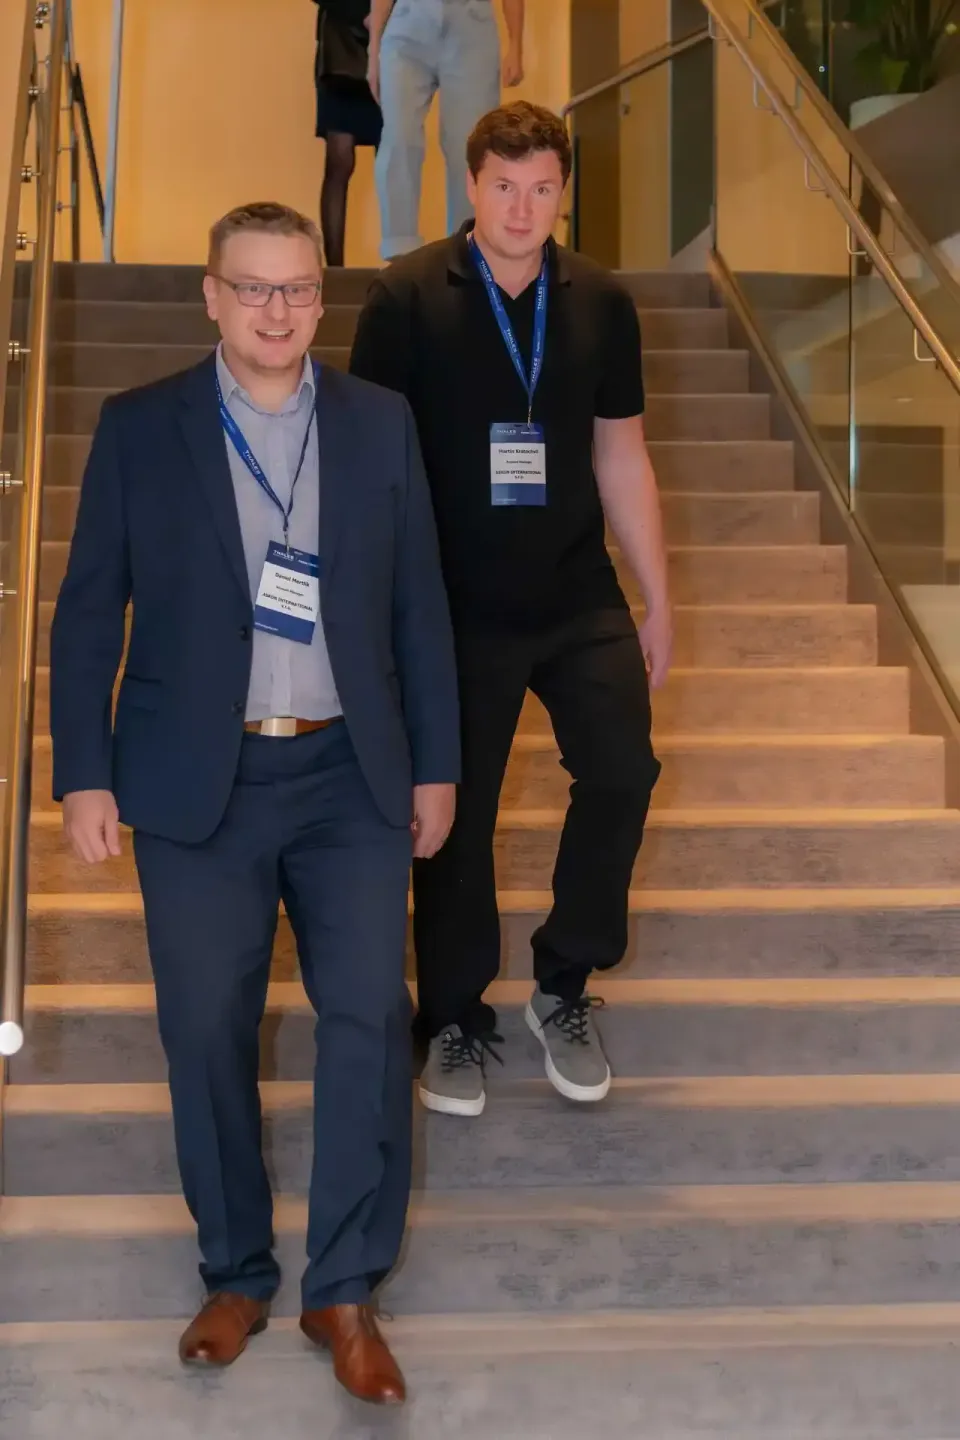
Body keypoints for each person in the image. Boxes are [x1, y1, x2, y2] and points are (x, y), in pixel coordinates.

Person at [49, 201, 459, 1405]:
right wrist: (83, 772)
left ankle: (343, 1288)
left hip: (350, 776)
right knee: (203, 1029)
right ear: (212, 296)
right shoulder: (139, 430)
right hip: (193, 782)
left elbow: (418, 610)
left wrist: (434, 765)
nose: (277, 311)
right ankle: (234, 1269)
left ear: (319, 301)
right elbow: (86, 616)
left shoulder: (381, 427)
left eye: (297, 290)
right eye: (254, 288)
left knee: (366, 1024)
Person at [350, 102, 670, 1119]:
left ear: (560, 192)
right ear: (472, 183)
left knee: (623, 771)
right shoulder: (405, 299)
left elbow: (621, 453)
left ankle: (565, 982)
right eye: (503, 185)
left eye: (541, 188)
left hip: (578, 594)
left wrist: (657, 595)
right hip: (453, 606)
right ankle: (451, 1017)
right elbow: (369, 468)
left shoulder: (604, 304)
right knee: (456, 816)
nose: (521, 206)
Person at [367, 0, 524, 259]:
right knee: (399, 138)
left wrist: (516, 45)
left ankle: (466, 252)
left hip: (472, 25)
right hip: (409, 22)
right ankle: (399, 251)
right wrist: (374, 53)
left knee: (469, 147)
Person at [313, 0, 382, 266]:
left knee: (394, 162)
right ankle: (334, 269)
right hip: (342, 49)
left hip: (393, 43)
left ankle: (399, 263)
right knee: (340, 159)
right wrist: (363, 15)